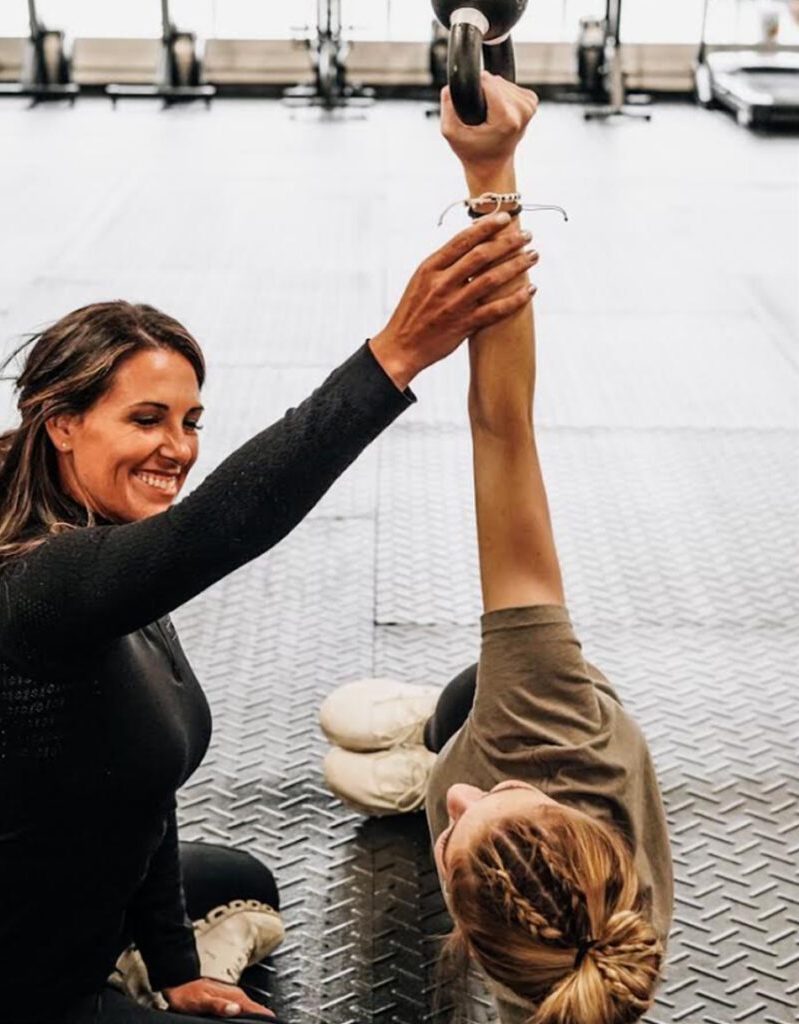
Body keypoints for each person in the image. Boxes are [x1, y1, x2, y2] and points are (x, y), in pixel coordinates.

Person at [0, 173, 538, 1021]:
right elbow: (221, 527)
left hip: (69, 913)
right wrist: (394, 355)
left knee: (240, 881)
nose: (177, 449)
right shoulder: (42, 583)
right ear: (61, 423)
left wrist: (179, 968)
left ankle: (101, 961)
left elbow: (140, 791)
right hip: (6, 1004)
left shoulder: (108, 557)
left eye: (190, 421)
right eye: (146, 419)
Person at [319, 76, 672, 1024]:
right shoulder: (552, 729)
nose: (473, 795)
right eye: (507, 795)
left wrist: (462, 795)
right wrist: (493, 171)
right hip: (506, 702)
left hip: (500, 761)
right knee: (452, 711)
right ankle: (421, 742)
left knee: (348, 756)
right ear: (584, 831)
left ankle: (409, 774)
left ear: (469, 942)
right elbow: (503, 428)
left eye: (456, 829)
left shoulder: (544, 980)